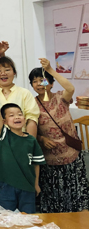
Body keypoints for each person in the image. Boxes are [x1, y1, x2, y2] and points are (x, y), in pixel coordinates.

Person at [0, 56, 39, 206]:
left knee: (20, 183)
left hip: (19, 147)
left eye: (7, 69)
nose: (3, 73)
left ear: (14, 72)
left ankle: (20, 212)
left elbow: (31, 119)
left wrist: (28, 144)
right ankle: (0, 213)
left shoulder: (24, 93)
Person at [30, 58, 89, 213]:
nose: (39, 84)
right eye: (34, 81)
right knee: (54, 199)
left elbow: (70, 87)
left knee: (75, 196)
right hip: (50, 159)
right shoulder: (31, 104)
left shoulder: (61, 97)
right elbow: (29, 129)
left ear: (51, 83)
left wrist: (50, 69)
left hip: (71, 155)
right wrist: (41, 139)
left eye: (42, 80)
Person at [0, 88, 45, 214]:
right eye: (11, 115)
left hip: (28, 186)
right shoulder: (4, 135)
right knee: (6, 216)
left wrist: (36, 184)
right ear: (5, 121)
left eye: (19, 114)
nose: (17, 117)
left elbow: (36, 164)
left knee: (28, 216)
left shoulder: (31, 140)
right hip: (7, 185)